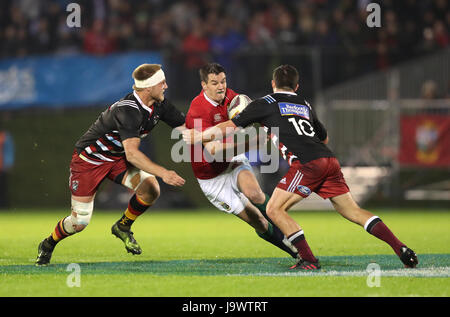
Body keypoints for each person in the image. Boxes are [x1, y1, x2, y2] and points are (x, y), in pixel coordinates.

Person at [183, 64, 418, 270]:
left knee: (274, 209)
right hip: (329, 160)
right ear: (296, 86)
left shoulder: (265, 102)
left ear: (273, 83)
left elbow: (229, 126)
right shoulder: (304, 104)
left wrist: (199, 137)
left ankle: (308, 259)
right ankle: (401, 249)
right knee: (354, 212)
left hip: (306, 165)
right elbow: (323, 137)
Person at [36, 64, 186, 266]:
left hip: (116, 159)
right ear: (149, 88)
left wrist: (219, 134)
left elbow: (188, 128)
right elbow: (132, 154)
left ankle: (123, 227)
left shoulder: (159, 105)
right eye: (162, 83)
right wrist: (164, 172)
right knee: (79, 222)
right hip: (89, 161)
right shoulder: (128, 110)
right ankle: (48, 244)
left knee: (150, 189)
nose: (166, 86)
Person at [184, 63, 298, 259]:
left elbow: (249, 111)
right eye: (214, 83)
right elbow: (214, 151)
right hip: (211, 177)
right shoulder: (197, 111)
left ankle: (298, 244)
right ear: (204, 85)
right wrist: (252, 143)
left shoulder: (231, 96)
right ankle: (292, 251)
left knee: (255, 194)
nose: (221, 87)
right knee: (259, 222)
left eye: (223, 81)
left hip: (232, 160)